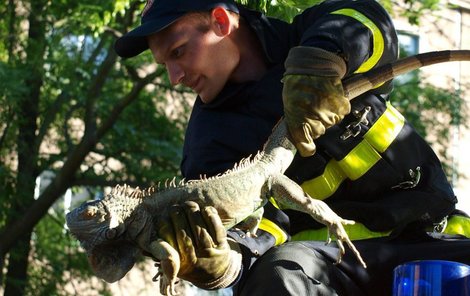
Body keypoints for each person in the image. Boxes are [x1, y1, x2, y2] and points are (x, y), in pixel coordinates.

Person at [114, 0, 470, 294]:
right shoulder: (208, 145)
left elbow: (368, 22)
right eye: (165, 65)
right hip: (333, 265)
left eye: (179, 52)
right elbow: (251, 234)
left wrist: (321, 62)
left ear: (220, 21)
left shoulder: (312, 35)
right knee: (276, 276)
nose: (174, 78)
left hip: (437, 234)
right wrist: (223, 263)